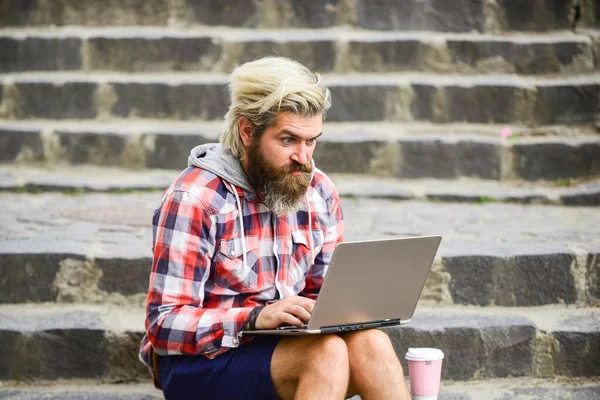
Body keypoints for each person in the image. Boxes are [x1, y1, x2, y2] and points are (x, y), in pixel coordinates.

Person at [139, 56, 411, 400]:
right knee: (325, 354)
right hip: (198, 362)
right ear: (247, 131)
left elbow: (321, 295)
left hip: (286, 348)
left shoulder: (319, 192)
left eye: (311, 141)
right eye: (288, 140)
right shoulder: (194, 199)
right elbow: (164, 325)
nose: (304, 157)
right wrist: (253, 318)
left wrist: (348, 308)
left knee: (372, 343)